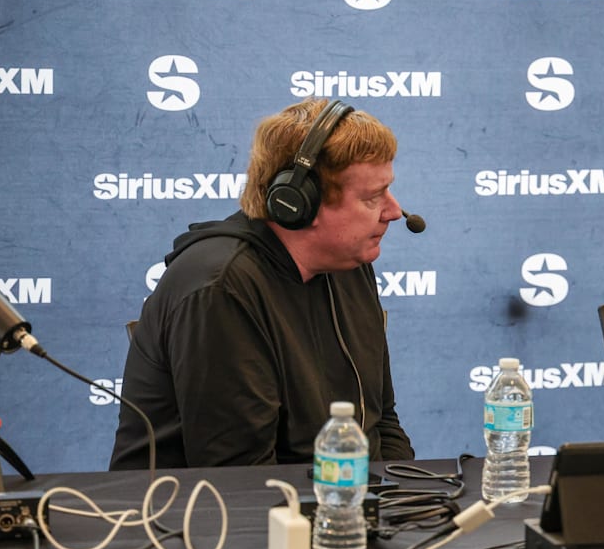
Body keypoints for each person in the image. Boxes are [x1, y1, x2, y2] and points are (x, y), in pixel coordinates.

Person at [110, 98, 415, 469]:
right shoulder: (221, 290)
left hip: (337, 507)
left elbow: (382, 421)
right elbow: (241, 478)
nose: (394, 211)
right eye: (372, 197)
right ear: (298, 203)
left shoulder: (349, 265)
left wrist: (408, 503)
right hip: (206, 518)